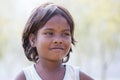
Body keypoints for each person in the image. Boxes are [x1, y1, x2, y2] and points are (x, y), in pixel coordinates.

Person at [15, 2, 93, 80]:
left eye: (65, 34)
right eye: (49, 33)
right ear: (33, 40)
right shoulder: (26, 77)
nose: (58, 40)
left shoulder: (76, 76)